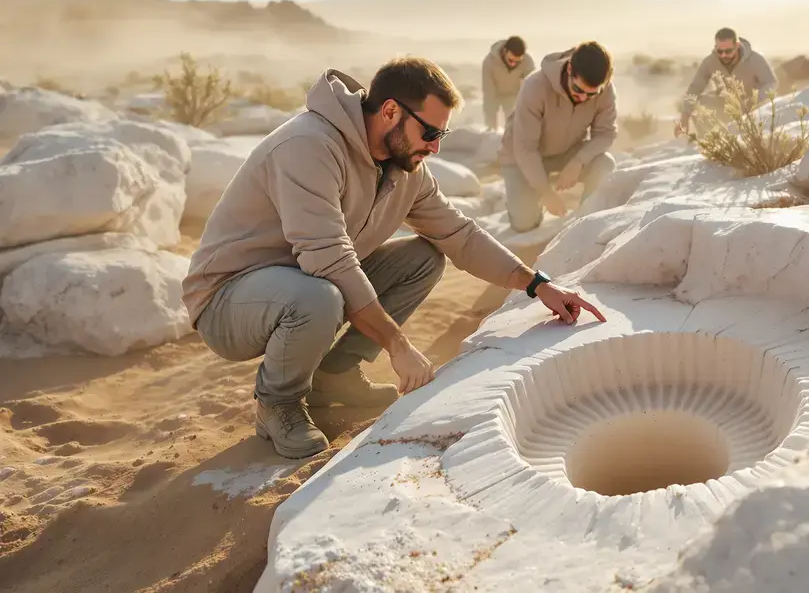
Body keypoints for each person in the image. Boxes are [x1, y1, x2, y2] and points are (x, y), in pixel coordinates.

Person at [180, 58, 606, 459]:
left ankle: (335, 376)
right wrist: (397, 346)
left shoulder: (406, 170)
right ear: (389, 112)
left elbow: (458, 234)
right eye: (430, 134)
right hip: (228, 300)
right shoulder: (308, 145)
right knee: (320, 295)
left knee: (423, 258)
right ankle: (277, 405)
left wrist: (538, 285)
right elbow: (328, 258)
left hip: (304, 281)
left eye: (442, 136)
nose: (435, 148)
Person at [499, 40, 618, 233]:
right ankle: (525, 199)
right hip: (522, 157)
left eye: (591, 94)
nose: (583, 98)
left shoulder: (605, 91)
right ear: (570, 69)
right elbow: (525, 148)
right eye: (578, 90)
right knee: (524, 223)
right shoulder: (535, 86)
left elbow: (605, 134)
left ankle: (587, 222)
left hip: (567, 153)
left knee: (605, 164)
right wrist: (545, 192)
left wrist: (578, 161)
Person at [674, 27, 778, 137]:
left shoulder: (755, 59)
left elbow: (771, 83)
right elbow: (695, 88)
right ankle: (709, 141)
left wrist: (753, 100)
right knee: (699, 102)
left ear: (737, 46)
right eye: (720, 51)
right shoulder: (710, 61)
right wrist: (685, 116)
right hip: (725, 103)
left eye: (728, 51)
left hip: (754, 106)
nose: (723, 55)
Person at [481, 35, 535, 131]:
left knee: (514, 124)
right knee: (491, 124)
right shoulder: (489, 62)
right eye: (511, 60)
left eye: (517, 61)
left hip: (513, 95)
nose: (513, 63)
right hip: (494, 94)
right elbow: (488, 92)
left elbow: (530, 89)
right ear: (505, 51)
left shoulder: (528, 63)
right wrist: (491, 122)